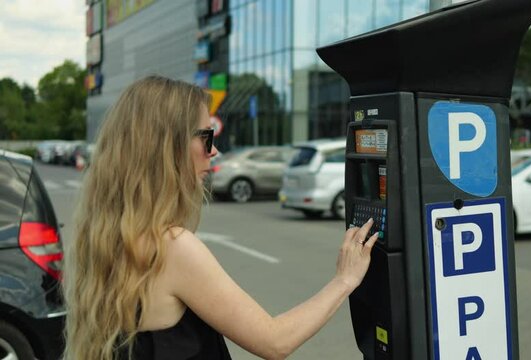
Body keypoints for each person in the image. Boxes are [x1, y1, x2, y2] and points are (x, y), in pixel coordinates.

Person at [62, 76, 379, 360]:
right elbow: (275, 341)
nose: (214, 152)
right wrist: (344, 280)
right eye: (206, 138)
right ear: (166, 146)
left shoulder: (109, 235)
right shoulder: (172, 247)